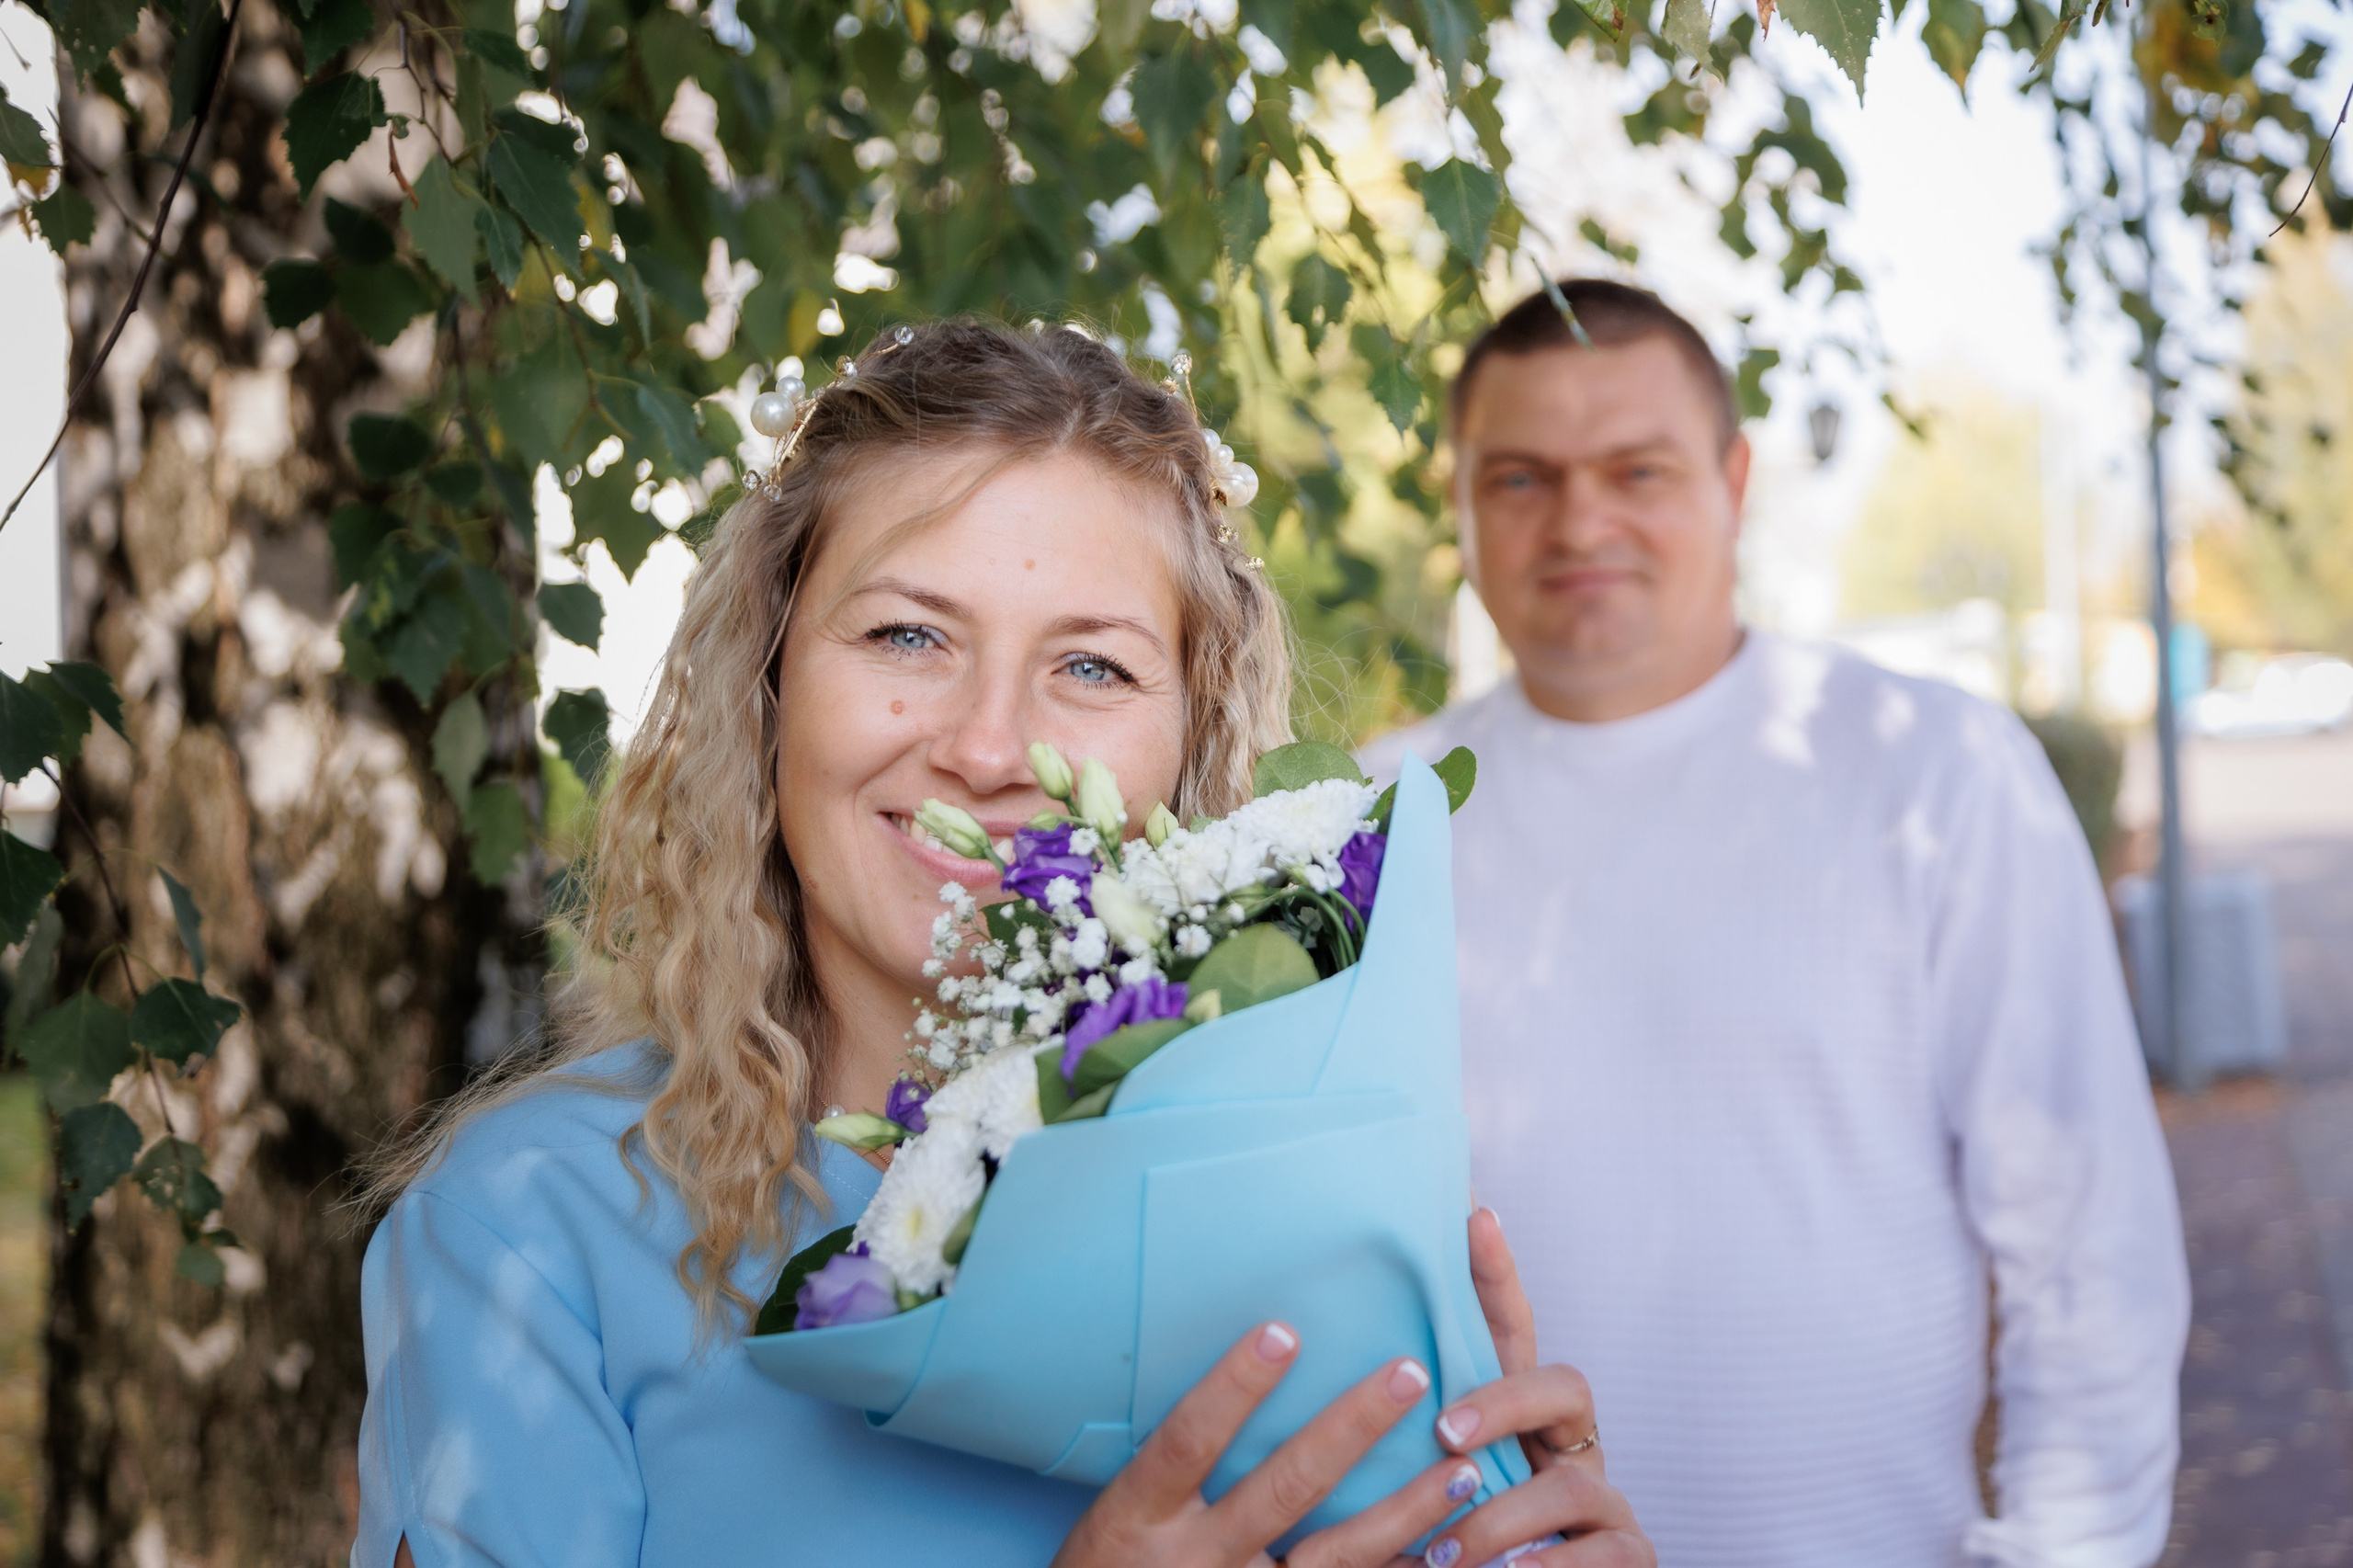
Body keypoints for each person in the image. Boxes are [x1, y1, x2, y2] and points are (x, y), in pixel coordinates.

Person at [352, 319, 1653, 1568]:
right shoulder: (529, 1232)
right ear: (768, 687)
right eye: (908, 635)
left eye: (1089, 668)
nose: (984, 748)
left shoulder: (1314, 1199)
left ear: (1189, 742)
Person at [1362, 280, 2188, 1567]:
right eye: (1521, 478)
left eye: (1635, 468)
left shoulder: (1935, 769)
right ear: (1458, 498)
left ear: (1734, 479)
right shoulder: (1371, 818)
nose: (1581, 519)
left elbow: (2087, 1251)